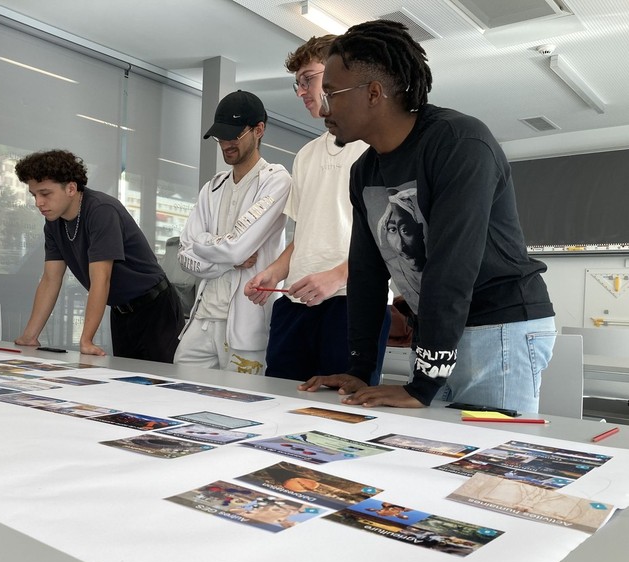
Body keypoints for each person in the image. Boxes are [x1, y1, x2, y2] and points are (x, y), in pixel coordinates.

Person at [302, 20, 556, 412]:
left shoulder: (459, 144)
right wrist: (361, 368)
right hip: (440, 331)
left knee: (488, 463)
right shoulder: (364, 171)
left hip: (498, 326)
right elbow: (367, 273)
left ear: (374, 93)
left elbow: (452, 266)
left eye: (332, 93)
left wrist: (422, 385)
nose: (324, 108)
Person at [244, 35, 391, 384]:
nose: (301, 91)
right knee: (277, 401)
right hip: (295, 304)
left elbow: (392, 237)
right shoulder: (306, 155)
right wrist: (275, 272)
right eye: (298, 83)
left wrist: (337, 277)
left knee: (341, 415)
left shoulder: (378, 149)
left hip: (353, 302)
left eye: (308, 78)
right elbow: (304, 233)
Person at [13, 149, 183, 362]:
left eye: (45, 194)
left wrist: (86, 340)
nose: (38, 202)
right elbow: (50, 279)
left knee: (159, 385)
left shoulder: (101, 211)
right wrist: (30, 336)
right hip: (121, 310)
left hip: (156, 307)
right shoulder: (53, 223)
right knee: (126, 384)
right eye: (34, 195)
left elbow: (101, 278)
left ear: (71, 188)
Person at [174, 90, 290, 374]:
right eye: (220, 137)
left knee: (240, 407)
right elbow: (184, 254)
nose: (225, 144)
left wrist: (209, 246)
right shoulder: (212, 187)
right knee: (177, 390)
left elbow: (235, 247)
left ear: (258, 130)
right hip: (202, 319)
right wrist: (227, 257)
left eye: (234, 136)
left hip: (247, 327)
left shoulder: (276, 181)